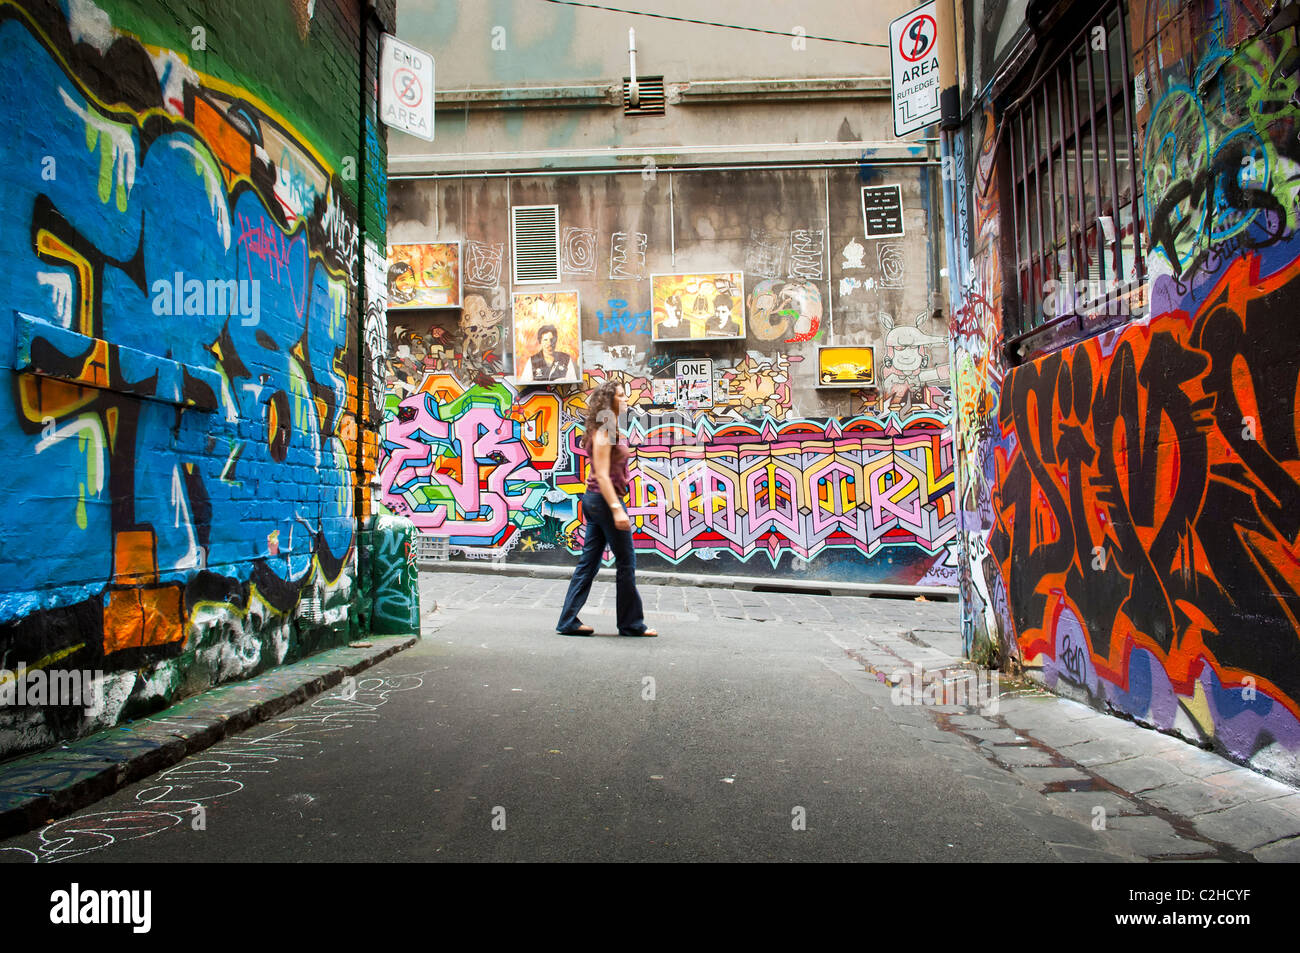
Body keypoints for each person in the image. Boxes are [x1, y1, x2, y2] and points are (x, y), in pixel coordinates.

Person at [555, 381, 657, 637]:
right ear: (608, 400)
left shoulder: (608, 427)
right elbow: (601, 475)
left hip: (597, 501)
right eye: (621, 396)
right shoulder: (604, 430)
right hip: (603, 501)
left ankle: (568, 621)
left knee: (588, 563)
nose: (626, 399)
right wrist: (617, 509)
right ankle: (631, 624)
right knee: (626, 562)